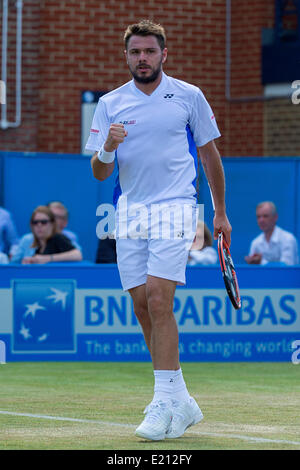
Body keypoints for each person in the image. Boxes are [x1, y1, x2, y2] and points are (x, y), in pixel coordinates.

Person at [86, 20, 232, 441]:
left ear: (163, 55)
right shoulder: (110, 102)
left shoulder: (189, 96)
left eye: (150, 51)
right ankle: (180, 399)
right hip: (128, 212)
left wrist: (220, 213)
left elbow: (209, 156)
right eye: (135, 52)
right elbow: (99, 171)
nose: (143, 58)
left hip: (176, 207)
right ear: (126, 56)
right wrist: (108, 146)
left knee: (158, 297)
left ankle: (162, 401)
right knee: (141, 306)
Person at [11, 201, 82, 263]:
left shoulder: (58, 237)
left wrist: (47, 258)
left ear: (52, 224)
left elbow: (77, 255)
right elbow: (13, 263)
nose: (39, 225)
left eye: (44, 222)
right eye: (35, 222)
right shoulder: (35, 242)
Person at [245, 201, 299, 266]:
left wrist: (261, 261)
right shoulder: (255, 243)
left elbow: (287, 268)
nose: (261, 220)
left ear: (275, 217)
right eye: (258, 217)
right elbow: (253, 271)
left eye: (265, 216)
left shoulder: (288, 239)